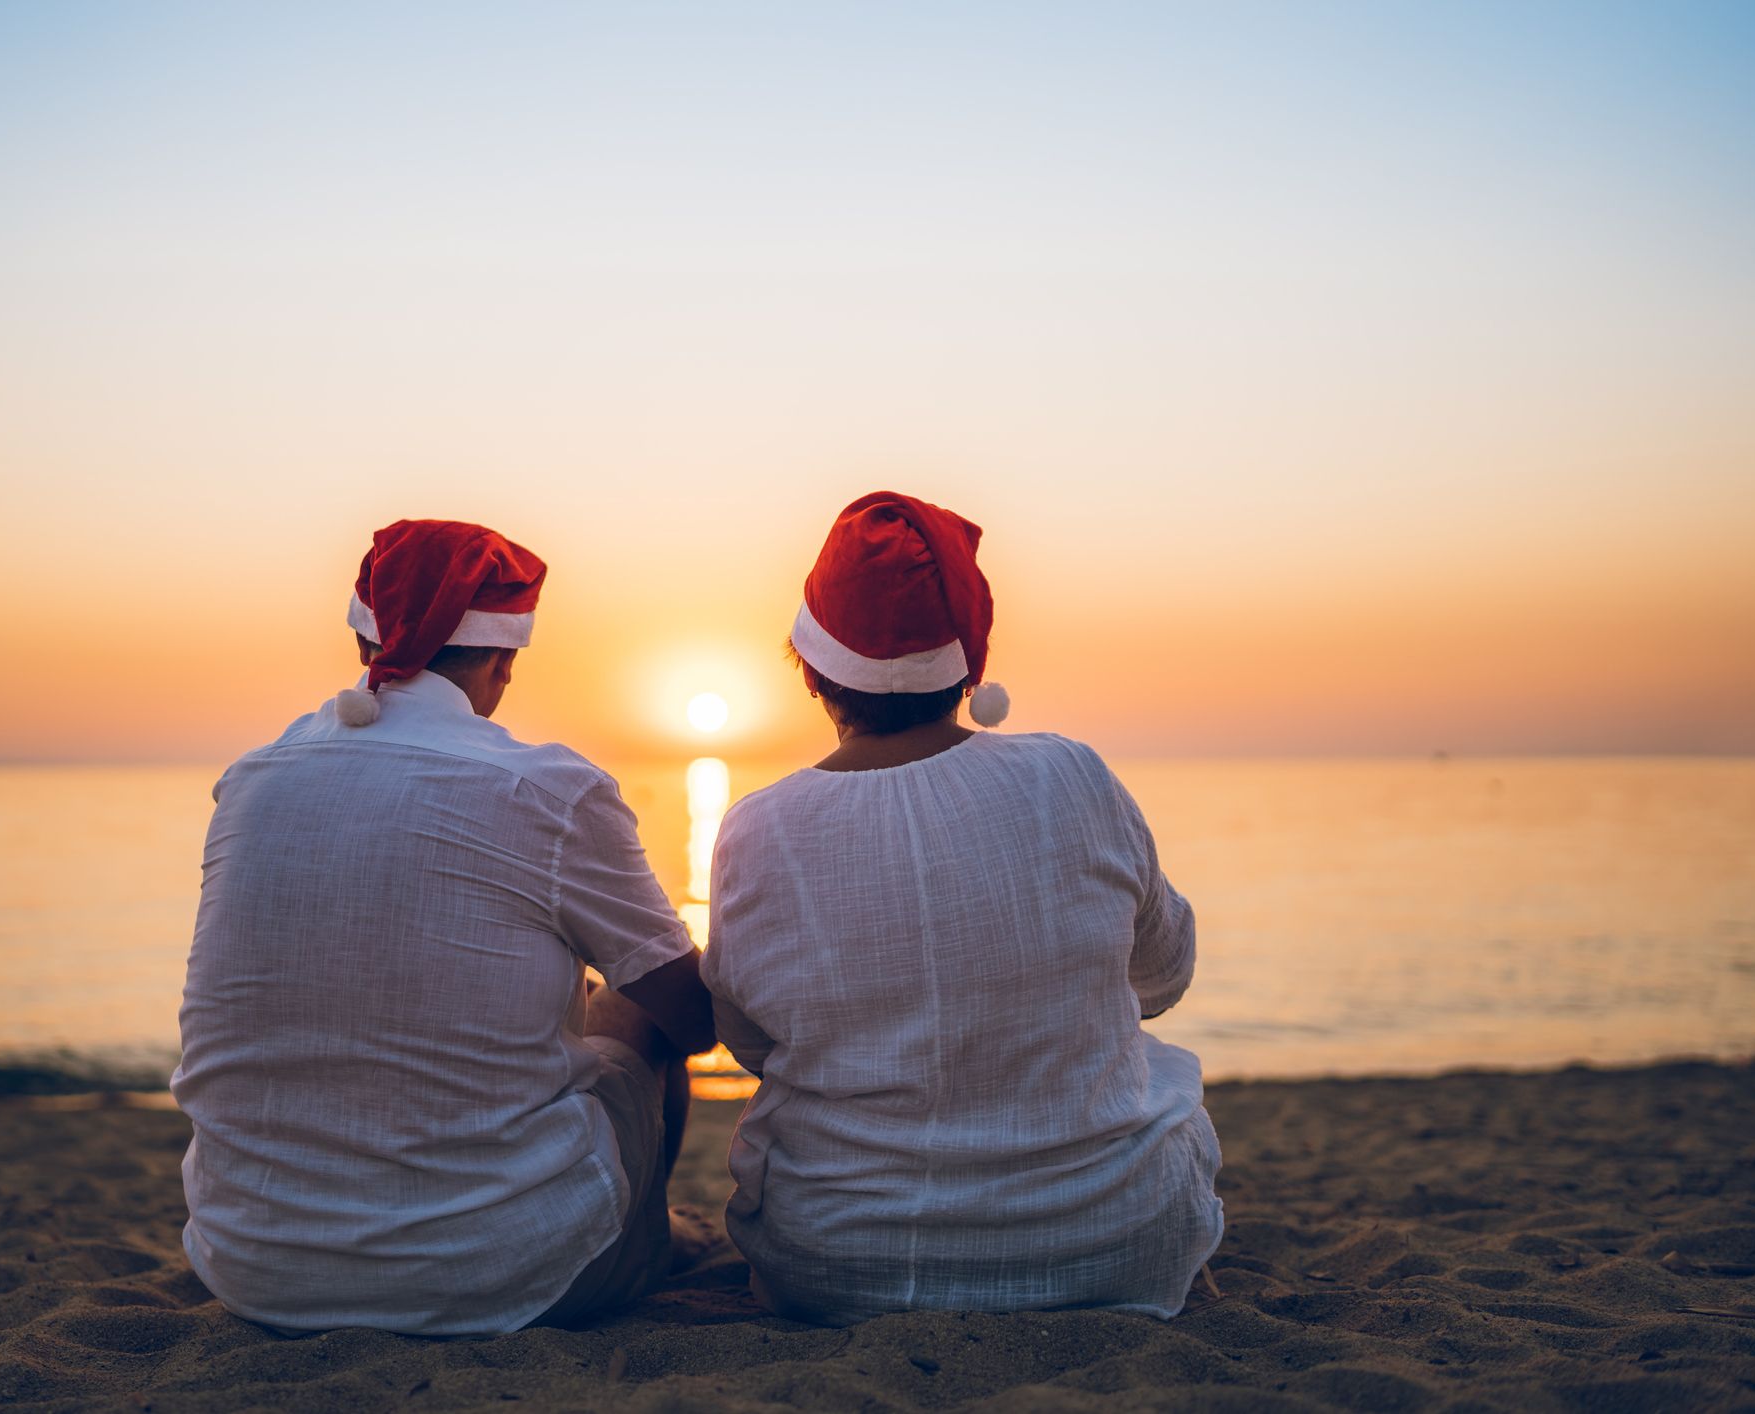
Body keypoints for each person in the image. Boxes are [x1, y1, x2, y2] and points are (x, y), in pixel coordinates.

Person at [172, 518, 716, 1337]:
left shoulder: (252, 779)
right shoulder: (549, 790)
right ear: (504, 659)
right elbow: (693, 1016)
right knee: (632, 1004)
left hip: (250, 1265)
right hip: (505, 1277)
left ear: (364, 642)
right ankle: (643, 1236)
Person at [700, 491, 1222, 1325]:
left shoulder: (759, 827)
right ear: (968, 662)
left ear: (813, 669)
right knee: (1156, 1067)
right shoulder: (1071, 776)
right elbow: (1161, 977)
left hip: (842, 1263)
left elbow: (752, 1041)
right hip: (1116, 1245)